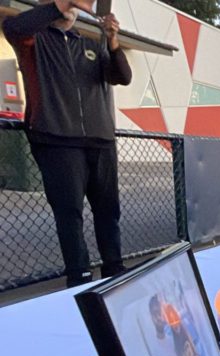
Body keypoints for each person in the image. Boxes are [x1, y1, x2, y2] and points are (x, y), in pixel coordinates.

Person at [3, 0, 132, 287]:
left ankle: (114, 268)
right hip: (57, 140)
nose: (72, 9)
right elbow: (12, 27)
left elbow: (123, 76)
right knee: (69, 213)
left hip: (101, 140)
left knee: (108, 211)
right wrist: (61, 4)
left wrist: (112, 41)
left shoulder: (89, 44)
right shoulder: (34, 40)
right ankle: (80, 277)